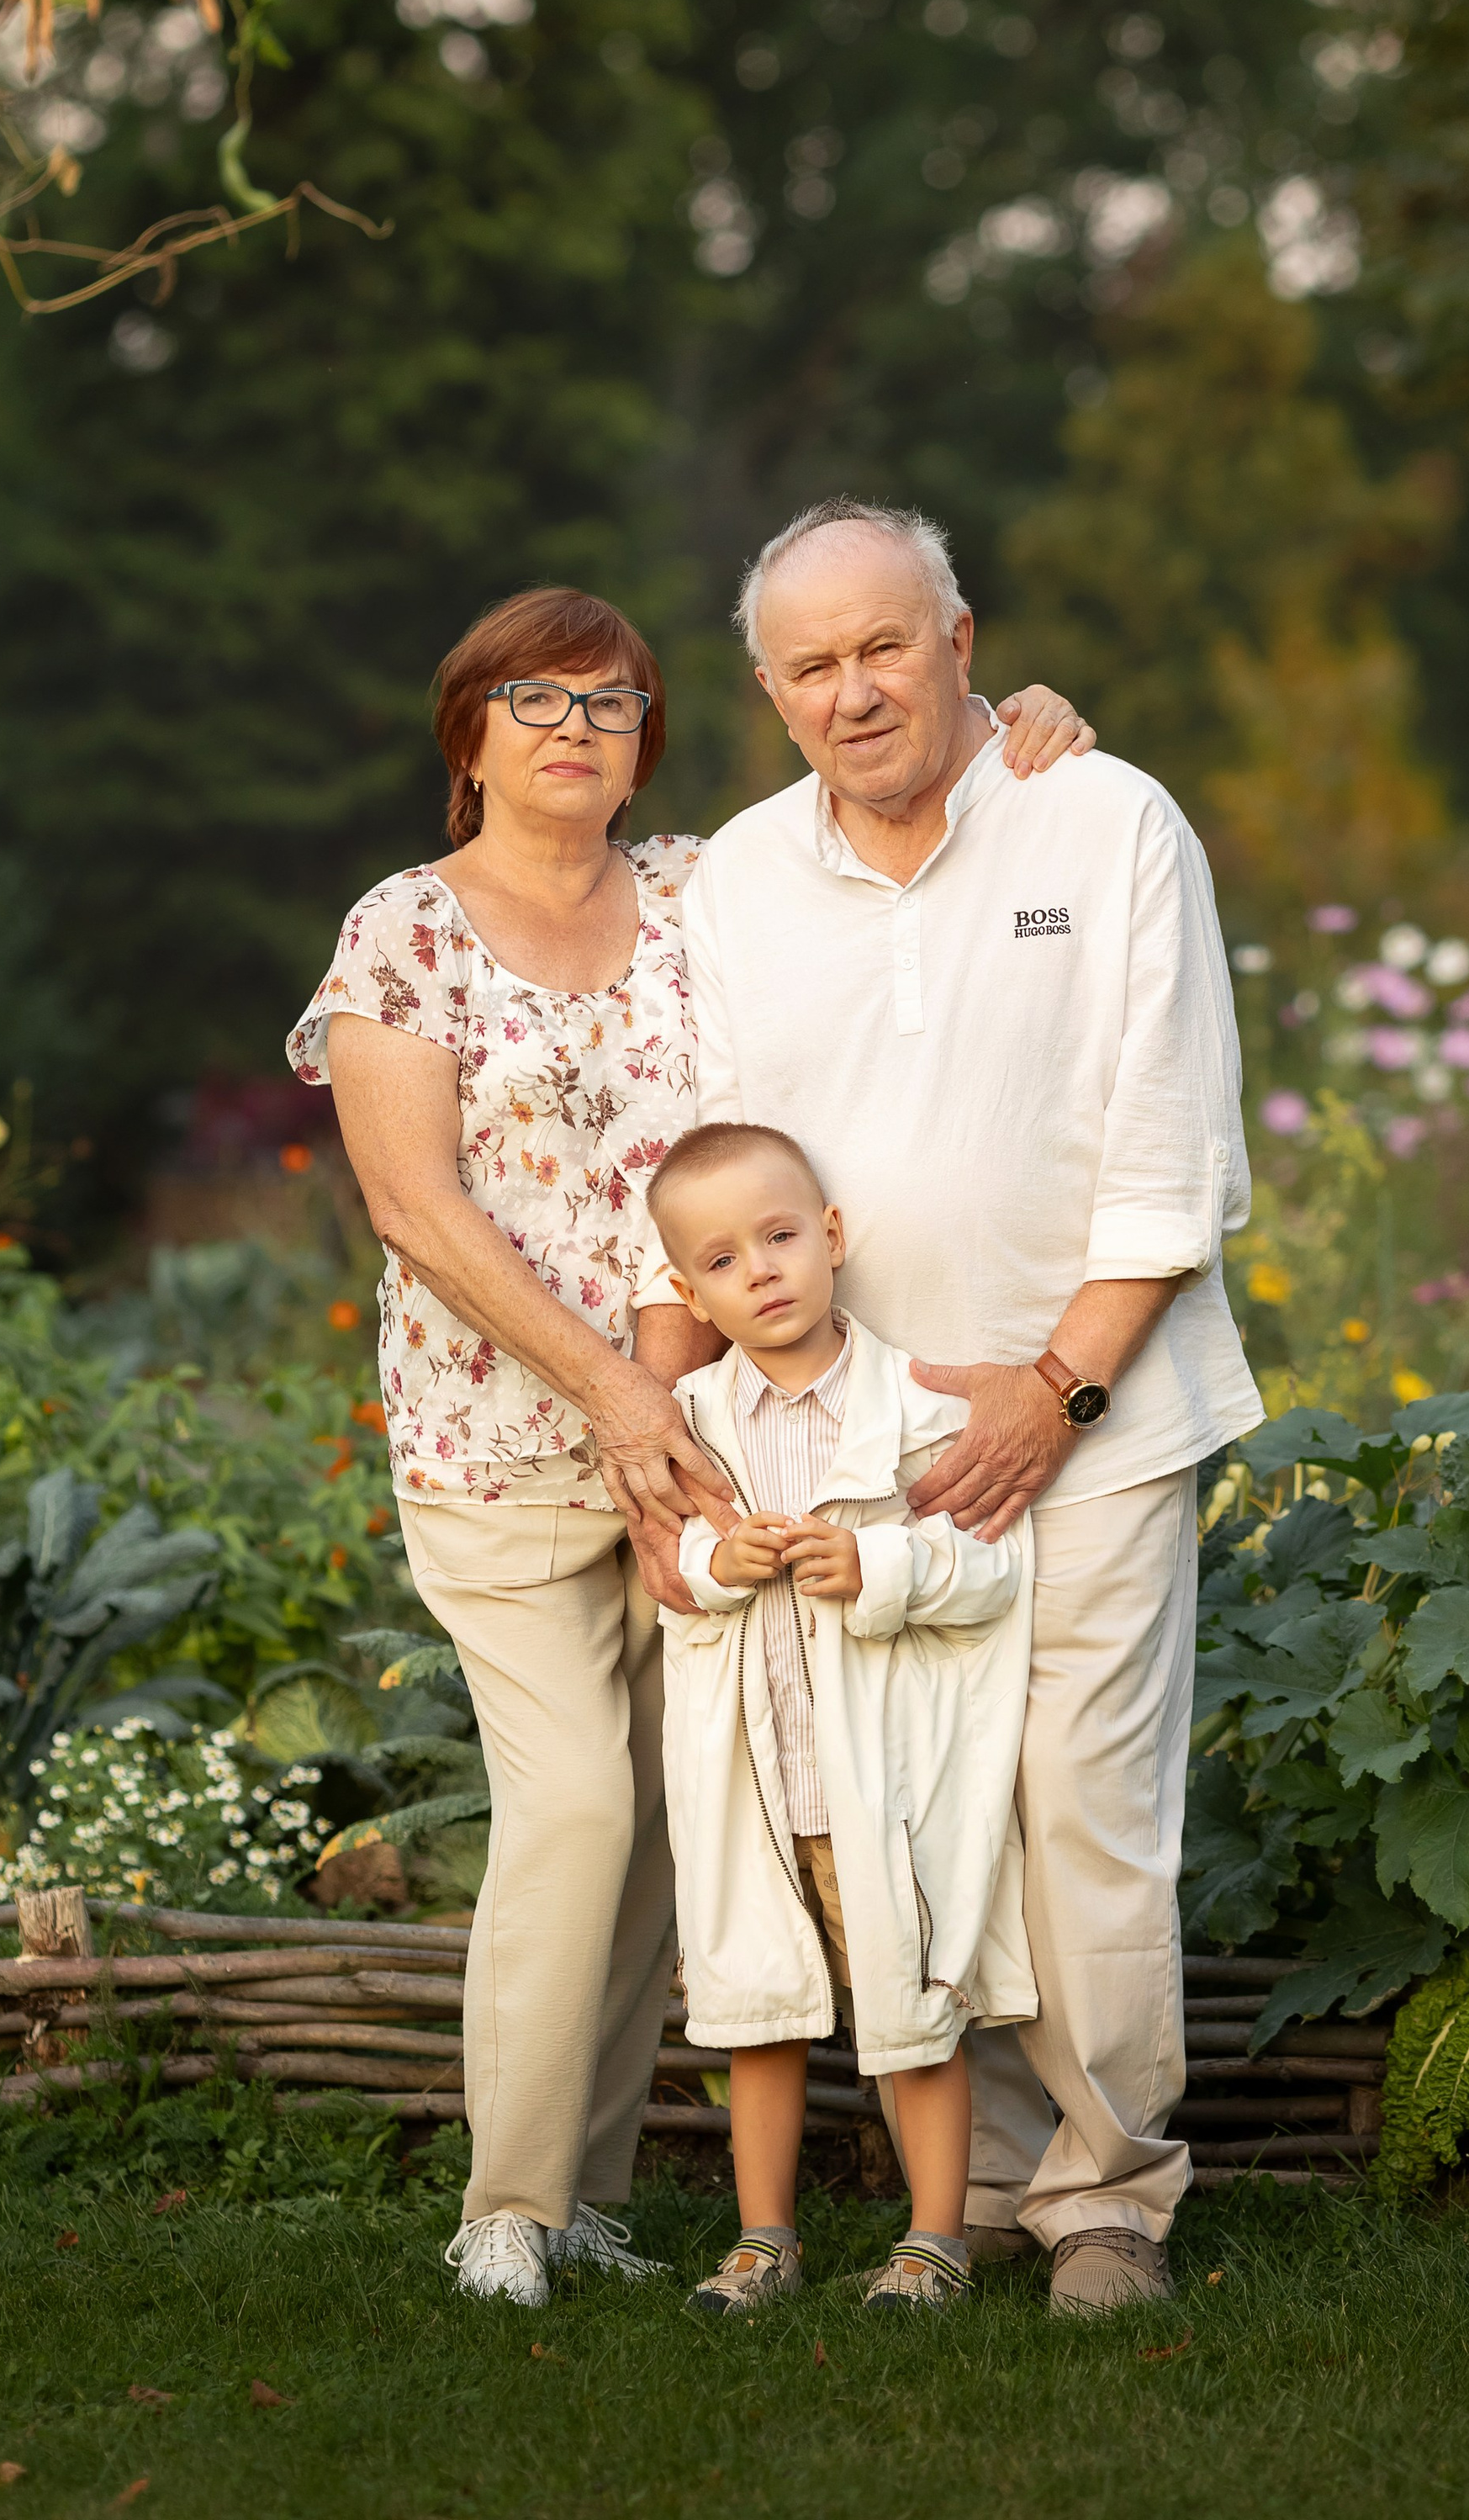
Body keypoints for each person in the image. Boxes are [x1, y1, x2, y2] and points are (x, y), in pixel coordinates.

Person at [285, 581, 1091, 2307]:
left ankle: (583, 2199)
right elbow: (416, 1210)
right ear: (468, 732)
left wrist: (1004, 723)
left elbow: (876, 806)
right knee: (573, 1803)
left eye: (609, 702)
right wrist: (610, 1390)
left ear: (648, 736)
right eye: (535, 702)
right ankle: (501, 2206)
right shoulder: (402, 933)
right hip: (501, 1444)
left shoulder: (691, 892)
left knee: (678, 1817)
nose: (574, 730)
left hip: (711, 1446)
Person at [667, 499, 1263, 2317]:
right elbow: (702, 1165)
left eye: (882, 645)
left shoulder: (1098, 816)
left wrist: (1054, 1389)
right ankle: (971, 2189)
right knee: (923, 1815)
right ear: (768, 695)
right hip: (846, 1459)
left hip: (1089, 1413)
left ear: (957, 636)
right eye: (811, 665)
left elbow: (1170, 1143)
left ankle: (1100, 2203)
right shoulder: (736, 881)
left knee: (1080, 1810)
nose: (854, 692)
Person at [647, 1120, 1033, 2321]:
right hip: (757, 1788)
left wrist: (877, 1563)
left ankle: (935, 2240)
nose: (758, 1271)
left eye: (777, 1237)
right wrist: (722, 1558)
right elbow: (673, 1576)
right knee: (759, 2016)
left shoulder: (912, 1405)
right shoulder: (693, 1425)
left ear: (831, 1237)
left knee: (915, 2014)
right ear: (689, 1292)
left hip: (876, 1788)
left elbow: (990, 1571)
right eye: (720, 1260)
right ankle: (767, 2239)